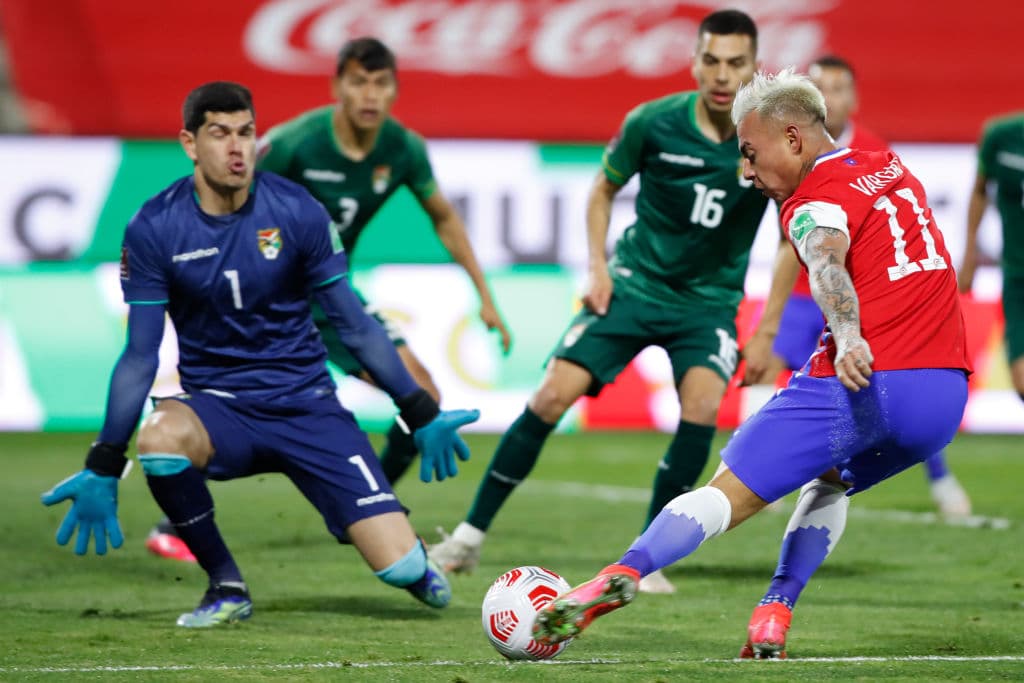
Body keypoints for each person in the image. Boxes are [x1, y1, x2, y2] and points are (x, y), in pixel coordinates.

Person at [531, 68, 971, 659]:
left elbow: (825, 262)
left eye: (749, 151)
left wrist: (848, 335)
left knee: (726, 493)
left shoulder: (812, 202)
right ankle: (774, 613)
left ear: (792, 138)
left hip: (867, 378)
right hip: (944, 397)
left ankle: (625, 572)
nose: (745, 171)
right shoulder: (888, 166)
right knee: (832, 481)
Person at [40, 81, 480, 627]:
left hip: (308, 406)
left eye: (245, 133)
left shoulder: (297, 211)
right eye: (220, 134)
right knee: (159, 437)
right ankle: (225, 584)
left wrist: (419, 410)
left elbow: (354, 323)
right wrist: (104, 461)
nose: (236, 148)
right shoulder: (155, 227)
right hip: (221, 411)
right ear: (189, 143)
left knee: (403, 571)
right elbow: (139, 355)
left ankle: (404, 556)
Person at [429, 9, 775, 595]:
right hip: (634, 284)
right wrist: (596, 266)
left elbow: (793, 233)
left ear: (752, 67)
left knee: (702, 405)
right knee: (549, 395)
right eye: (711, 61)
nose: (721, 75)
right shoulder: (652, 123)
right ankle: (467, 538)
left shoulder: (765, 138)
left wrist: (764, 329)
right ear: (694, 62)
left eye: (735, 64)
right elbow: (603, 188)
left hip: (707, 303)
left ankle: (647, 559)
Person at [144, 37, 511, 563]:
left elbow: (445, 218)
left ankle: (364, 505)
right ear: (338, 86)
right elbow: (224, 192)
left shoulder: (402, 148)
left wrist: (485, 295)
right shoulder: (295, 142)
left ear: (394, 91)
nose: (369, 94)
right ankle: (172, 522)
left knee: (420, 394)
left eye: (381, 84)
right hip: (270, 306)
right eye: (358, 81)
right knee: (236, 414)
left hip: (335, 301)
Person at [743, 54, 971, 518]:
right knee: (770, 374)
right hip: (807, 297)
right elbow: (789, 244)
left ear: (854, 97)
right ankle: (764, 480)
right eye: (819, 86)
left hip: (867, 304)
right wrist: (767, 326)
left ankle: (940, 478)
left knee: (891, 389)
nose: (829, 96)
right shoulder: (777, 155)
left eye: (838, 88)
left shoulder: (873, 152)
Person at [958, 110, 1024, 406]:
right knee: (1021, 377)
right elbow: (979, 191)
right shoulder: (1001, 136)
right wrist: (970, 254)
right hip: (1017, 274)